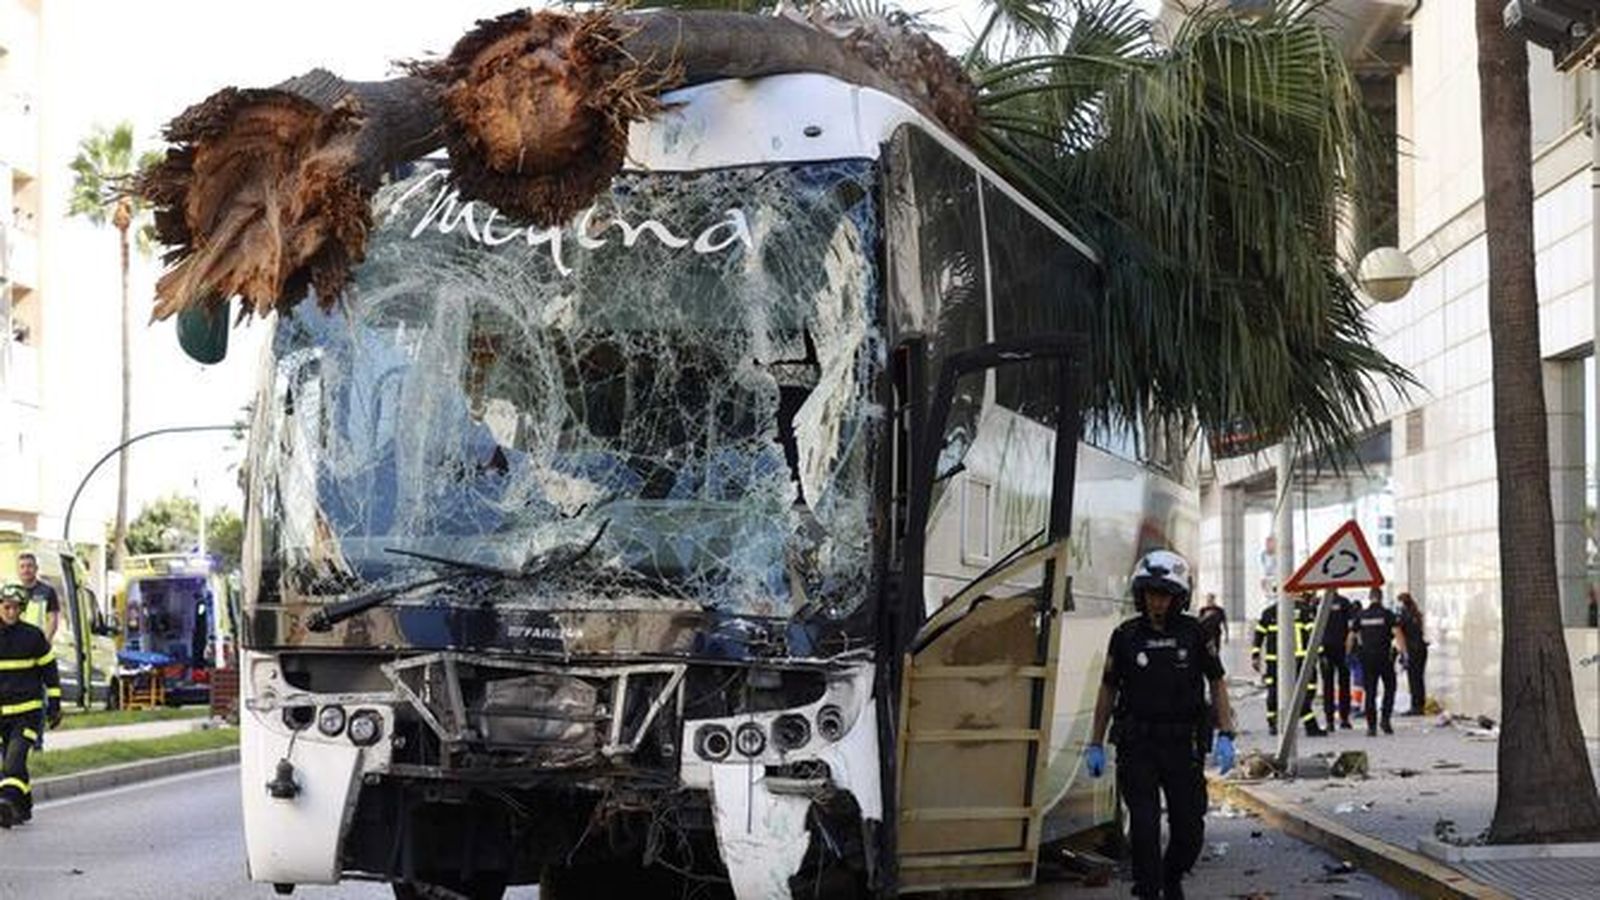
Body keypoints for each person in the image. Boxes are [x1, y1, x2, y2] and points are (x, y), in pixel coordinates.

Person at [1086, 550, 1235, 900]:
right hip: (1138, 745)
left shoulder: (1195, 634)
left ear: (1178, 597)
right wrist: (1094, 742)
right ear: (1141, 594)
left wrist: (1226, 732)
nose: (1157, 601)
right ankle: (1149, 890)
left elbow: (1217, 682)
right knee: (1144, 828)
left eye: (1165, 594)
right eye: (1151, 593)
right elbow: (1108, 689)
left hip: (1182, 746)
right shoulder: (1125, 636)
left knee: (1189, 830)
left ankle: (1172, 876)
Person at [0, 583, 62, 828]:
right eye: (6, 607)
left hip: (27, 714)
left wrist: (55, 704)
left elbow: (49, 670)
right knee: (11, 764)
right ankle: (23, 806)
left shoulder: (33, 636)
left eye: (15, 608)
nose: (11, 612)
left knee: (13, 763)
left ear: (22, 609)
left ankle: (5, 803)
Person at [1347, 586, 1406, 735]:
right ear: (1381, 597)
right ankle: (1385, 720)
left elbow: (1351, 636)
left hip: (1366, 658)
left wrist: (1347, 654)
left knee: (1370, 691)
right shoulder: (1387, 614)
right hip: (1384, 657)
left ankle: (1371, 726)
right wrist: (1404, 653)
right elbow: (1397, 633)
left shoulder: (1361, 615)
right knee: (1390, 688)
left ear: (1370, 597)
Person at [1317, 588, 1354, 730]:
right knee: (1344, 684)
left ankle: (1329, 721)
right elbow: (1351, 629)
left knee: (1328, 686)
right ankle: (1344, 718)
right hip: (1342, 648)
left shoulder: (1319, 603)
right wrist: (1349, 650)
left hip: (1325, 650)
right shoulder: (1345, 603)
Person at [15, 553, 60, 642]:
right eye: (22, 567)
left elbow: (53, 621)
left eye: (29, 566)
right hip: (15, 644)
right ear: (18, 570)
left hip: (38, 643)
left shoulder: (48, 591)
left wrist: (45, 643)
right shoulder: (11, 591)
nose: (26, 570)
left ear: (36, 568)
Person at [1396, 592, 1428, 716]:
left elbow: (1400, 635)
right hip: (1421, 648)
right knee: (1419, 678)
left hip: (1412, 649)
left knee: (1413, 678)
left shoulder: (1403, 615)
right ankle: (1420, 705)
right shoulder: (1416, 613)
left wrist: (1403, 653)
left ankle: (1415, 707)